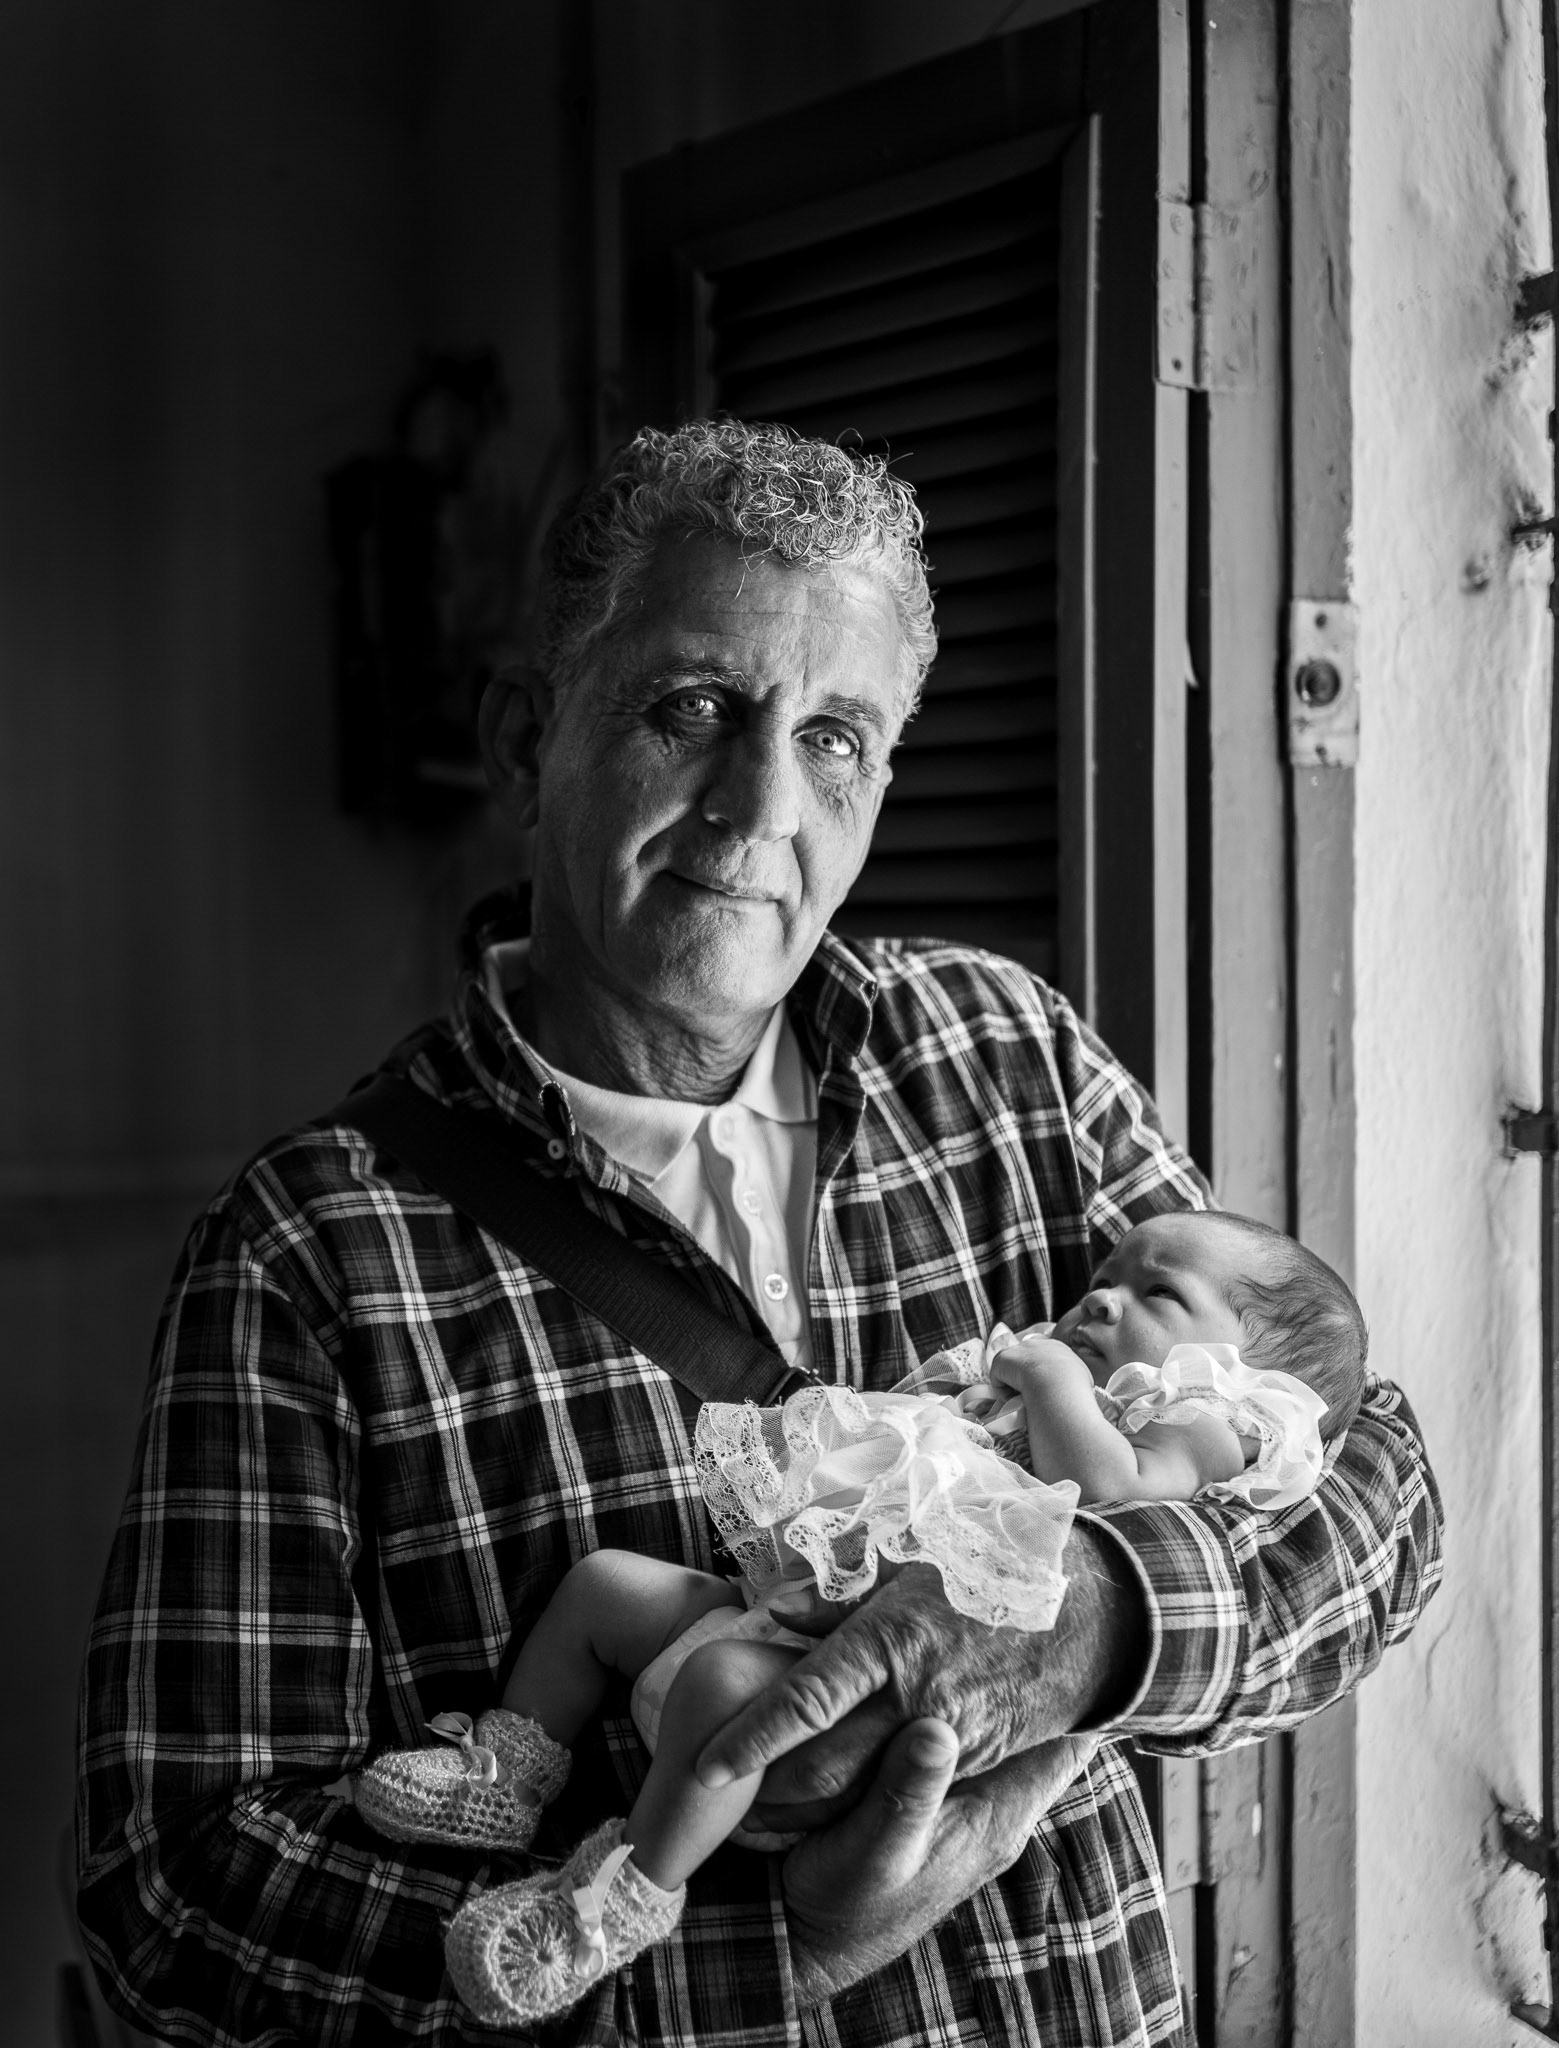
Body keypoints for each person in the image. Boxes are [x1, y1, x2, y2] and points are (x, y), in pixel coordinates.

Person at [77, 417, 1443, 2048]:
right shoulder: (312, 1248)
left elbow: (1370, 1486)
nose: (757, 805)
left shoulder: (1005, 1054)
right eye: (694, 708)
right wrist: (777, 1945)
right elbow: (184, 1900)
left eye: (835, 736)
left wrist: (1094, 1620)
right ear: (526, 743)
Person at [341, 1206, 1365, 2028]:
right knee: (605, 1584)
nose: (1100, 1293)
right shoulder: (1036, 1380)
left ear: (1250, 1376)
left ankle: (618, 1894)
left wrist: (1053, 1380)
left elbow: (1115, 1491)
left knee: (714, 1694)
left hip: (841, 1692)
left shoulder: (1199, 1421)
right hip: (777, 1609)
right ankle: (509, 1768)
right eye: (1109, 1270)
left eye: (1156, 1290)